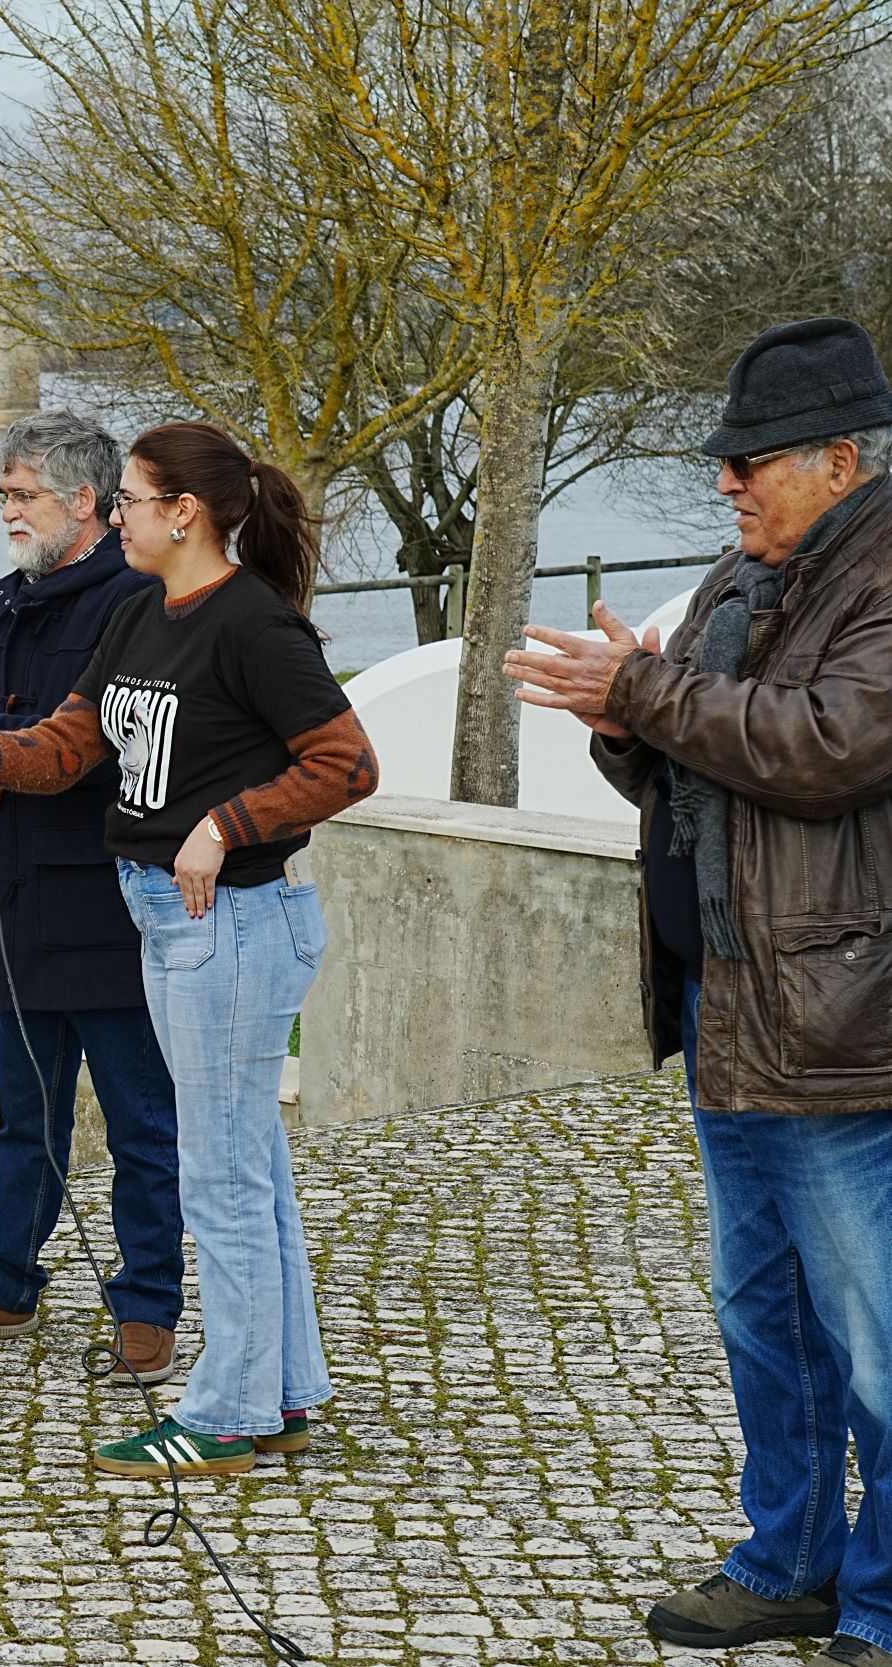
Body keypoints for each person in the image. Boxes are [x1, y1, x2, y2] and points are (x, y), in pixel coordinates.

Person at [507, 317, 892, 1667]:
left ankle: (884, 1599)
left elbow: (829, 745)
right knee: (765, 1318)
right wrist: (626, 720)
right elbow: (696, 766)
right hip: (730, 1005)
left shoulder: (884, 577)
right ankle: (787, 1560)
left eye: (753, 459)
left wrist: (646, 687)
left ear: (840, 460)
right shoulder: (745, 574)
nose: (726, 481)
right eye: (724, 459)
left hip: (841, 1019)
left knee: (874, 1331)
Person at [0, 420, 378, 1476]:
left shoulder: (251, 624)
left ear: (184, 512)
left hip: (235, 923)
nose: (115, 513)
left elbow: (345, 764)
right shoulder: (140, 612)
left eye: (128, 498)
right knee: (250, 1171)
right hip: (166, 918)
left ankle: (224, 1414)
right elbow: (69, 746)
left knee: (222, 1180)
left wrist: (226, 825)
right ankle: (280, 1394)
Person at [0, 410, 187, 1385]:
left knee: (140, 1119)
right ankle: (4, 1278)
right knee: (24, 1115)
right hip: (18, 891)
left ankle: (147, 1303)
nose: (8, 512)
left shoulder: (133, 600)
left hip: (107, 899)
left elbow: (101, 743)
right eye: (3, 495)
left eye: (23, 495)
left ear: (85, 501)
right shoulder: (7, 599)